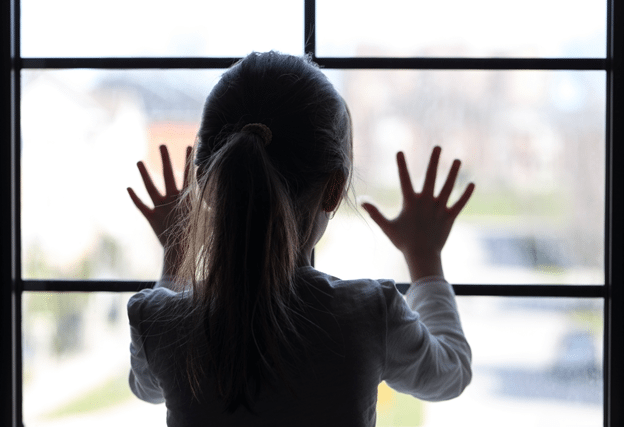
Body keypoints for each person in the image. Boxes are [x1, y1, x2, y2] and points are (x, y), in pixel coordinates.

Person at [127, 51, 474, 427]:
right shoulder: (369, 315)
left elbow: (146, 387)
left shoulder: (156, 322)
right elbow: (450, 372)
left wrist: (176, 254)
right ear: (334, 190)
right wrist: (424, 257)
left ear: (204, 184)